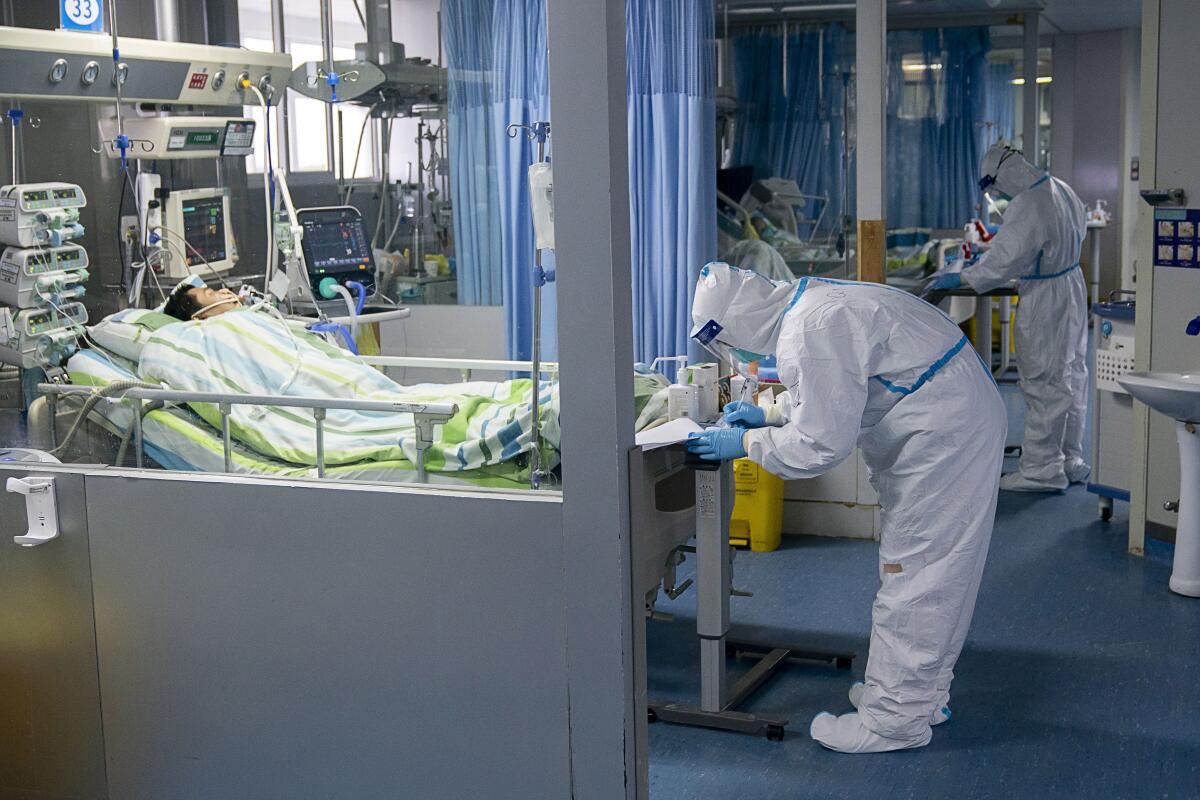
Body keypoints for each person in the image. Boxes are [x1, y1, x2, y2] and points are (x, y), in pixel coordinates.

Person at [686, 263, 1006, 754]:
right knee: (938, 572)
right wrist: (772, 412)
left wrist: (747, 441)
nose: (733, 352)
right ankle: (919, 698)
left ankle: (893, 722)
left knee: (915, 572)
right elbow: (837, 388)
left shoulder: (809, 328)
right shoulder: (807, 306)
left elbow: (819, 445)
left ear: (739, 320)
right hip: (951, 416)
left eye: (724, 339)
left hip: (944, 432)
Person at [932, 143, 1089, 492]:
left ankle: (1042, 470)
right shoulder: (1060, 188)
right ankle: (1070, 458)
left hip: (1046, 298)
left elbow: (1003, 260)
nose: (999, 194)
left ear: (1004, 173)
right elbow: (1043, 246)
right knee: (1071, 374)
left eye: (996, 186)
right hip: (1071, 286)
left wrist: (965, 275)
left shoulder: (1028, 203)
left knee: (1044, 380)